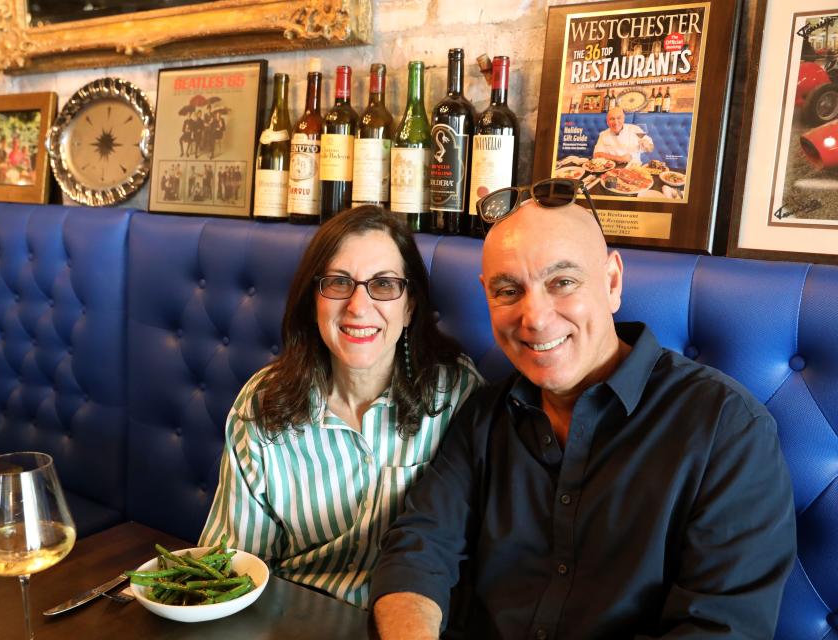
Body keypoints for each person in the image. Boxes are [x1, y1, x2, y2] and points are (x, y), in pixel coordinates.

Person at [370, 184, 796, 638]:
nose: (534, 317)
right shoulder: (483, 415)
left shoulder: (727, 428)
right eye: (509, 290)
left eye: (563, 282)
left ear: (612, 281)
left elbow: (719, 629)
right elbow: (417, 551)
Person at [199, 206, 484, 609]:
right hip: (291, 621)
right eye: (338, 283)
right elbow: (233, 567)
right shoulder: (263, 405)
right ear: (312, 299)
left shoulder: (456, 394)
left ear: (410, 306)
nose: (357, 306)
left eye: (383, 285)